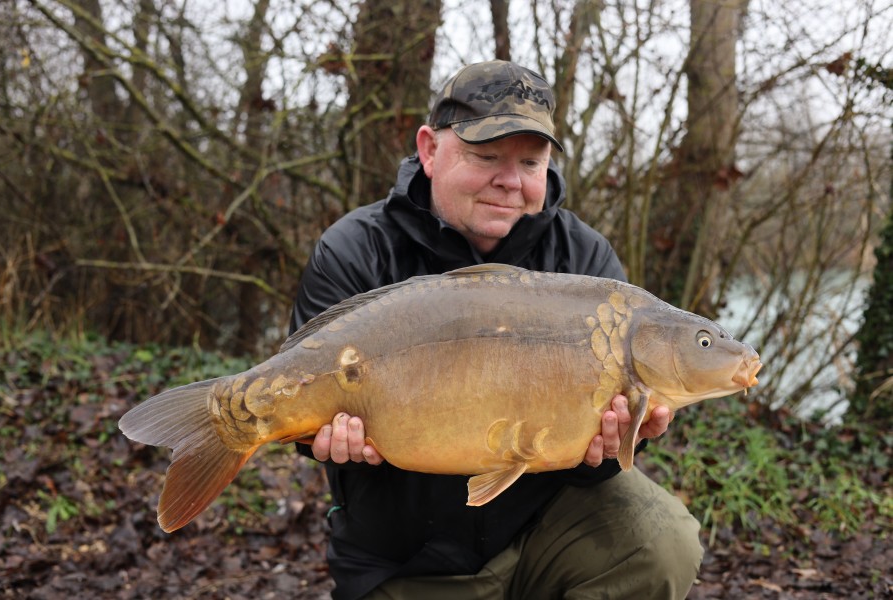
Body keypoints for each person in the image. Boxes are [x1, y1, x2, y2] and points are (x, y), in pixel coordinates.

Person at [290, 60, 703, 600]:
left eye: (530, 162)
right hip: (406, 558)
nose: (510, 182)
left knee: (663, 541)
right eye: (485, 157)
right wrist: (317, 438)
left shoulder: (585, 260)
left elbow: (596, 460)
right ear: (430, 150)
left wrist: (615, 443)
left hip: (540, 527)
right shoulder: (355, 251)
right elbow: (299, 404)